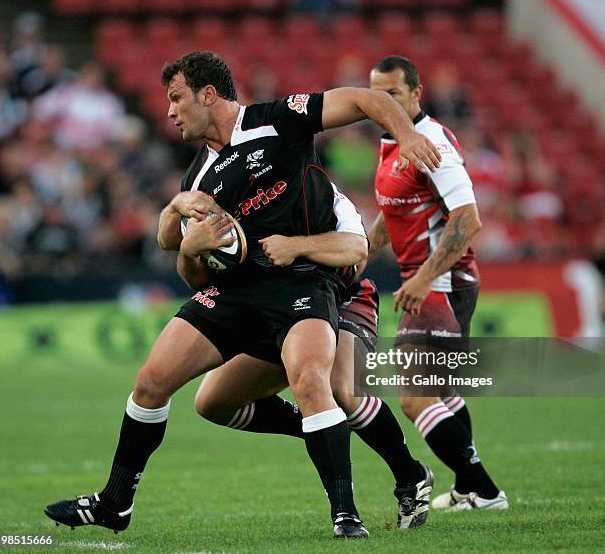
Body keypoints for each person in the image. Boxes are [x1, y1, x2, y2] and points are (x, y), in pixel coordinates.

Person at [44, 51, 441, 538]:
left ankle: (379, 493)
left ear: (208, 95)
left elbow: (364, 104)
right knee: (178, 390)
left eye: (176, 98)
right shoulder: (198, 180)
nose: (169, 111)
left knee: (334, 388)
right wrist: (191, 247)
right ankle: (115, 504)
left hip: (322, 283)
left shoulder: (278, 122)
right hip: (245, 293)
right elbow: (193, 274)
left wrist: (408, 135)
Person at [180, 194, 433, 531]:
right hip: (274, 309)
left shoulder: (317, 190)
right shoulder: (227, 193)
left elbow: (358, 254)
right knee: (212, 402)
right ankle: (322, 426)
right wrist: (189, 248)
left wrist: (297, 246)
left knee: (341, 389)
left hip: (339, 297)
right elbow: (198, 275)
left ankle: (410, 476)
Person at [367, 55, 508, 510]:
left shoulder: (432, 144)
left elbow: (467, 221)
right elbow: (394, 212)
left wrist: (424, 280)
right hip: (429, 281)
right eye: (374, 96)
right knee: (444, 392)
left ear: (416, 93)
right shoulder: (393, 141)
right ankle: (472, 490)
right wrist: (354, 257)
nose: (381, 104)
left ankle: (485, 492)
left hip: (440, 283)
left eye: (391, 95)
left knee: (414, 397)